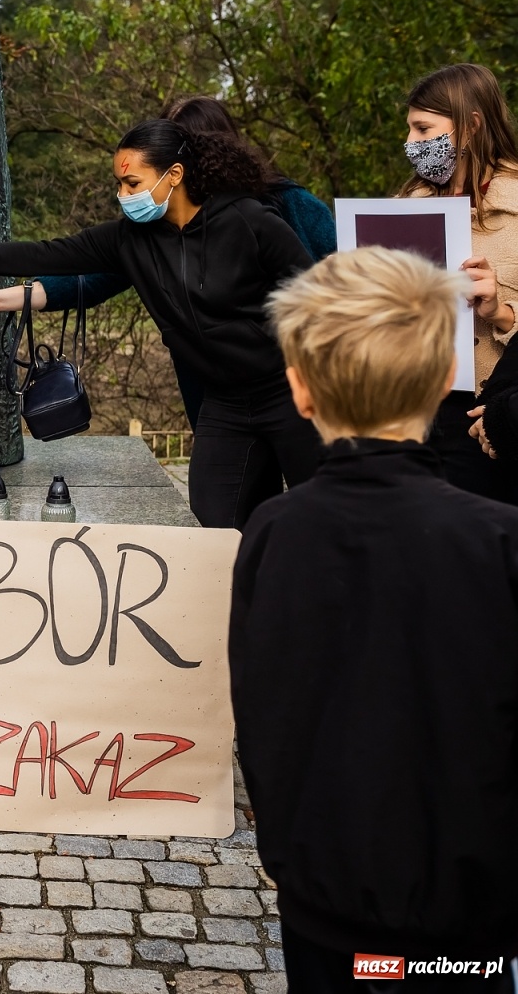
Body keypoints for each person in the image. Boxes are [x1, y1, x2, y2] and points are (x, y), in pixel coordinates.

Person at [232, 247, 518, 986]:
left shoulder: (272, 529)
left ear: (299, 390)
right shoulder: (499, 539)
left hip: (323, 898)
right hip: (476, 911)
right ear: (441, 377)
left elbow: (261, 701)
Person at [0, 117, 319, 529]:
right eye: (119, 183)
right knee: (216, 520)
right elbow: (45, 254)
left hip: (288, 393)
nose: (122, 193)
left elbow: (319, 303)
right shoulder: (129, 242)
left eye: (132, 183)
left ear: (174, 174)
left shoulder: (251, 221)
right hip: (224, 406)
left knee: (324, 514)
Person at [0, 96, 336, 430]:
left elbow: (344, 278)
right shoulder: (153, 231)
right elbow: (90, 272)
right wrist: (10, 297)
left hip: (290, 379)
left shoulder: (285, 205)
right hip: (211, 390)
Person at [397, 63, 518, 502]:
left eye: (422, 128)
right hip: (408, 410)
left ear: (470, 126)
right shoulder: (406, 206)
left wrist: (502, 314)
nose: (410, 143)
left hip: (484, 421)